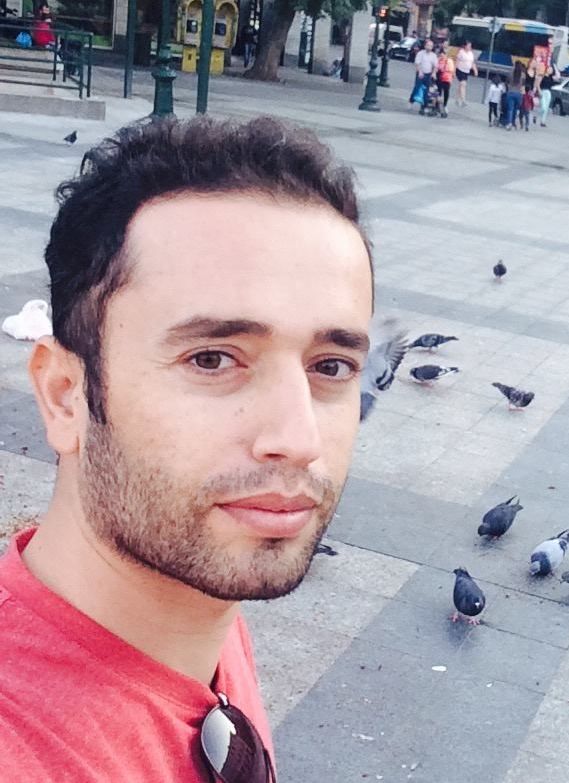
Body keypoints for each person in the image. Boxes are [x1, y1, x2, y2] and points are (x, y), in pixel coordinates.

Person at [0, 116, 373, 780]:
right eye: (212, 359)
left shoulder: (196, 601)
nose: (299, 440)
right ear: (63, 395)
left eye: (330, 366)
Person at [410, 38, 438, 115]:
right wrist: (420, 72)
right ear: (425, 46)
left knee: (426, 91)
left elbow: (435, 66)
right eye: (428, 45)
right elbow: (417, 63)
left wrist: (434, 73)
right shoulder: (421, 53)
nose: (429, 47)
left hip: (428, 74)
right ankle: (411, 100)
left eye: (431, 46)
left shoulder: (433, 56)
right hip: (421, 73)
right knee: (417, 88)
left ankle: (424, 106)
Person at [455, 40, 478, 106]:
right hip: (460, 70)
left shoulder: (471, 53)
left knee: (461, 85)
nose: (469, 47)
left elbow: (472, 62)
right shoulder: (461, 52)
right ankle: (463, 100)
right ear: (465, 46)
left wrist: (475, 70)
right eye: (468, 46)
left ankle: (457, 99)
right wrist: (454, 71)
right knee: (463, 84)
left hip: (466, 71)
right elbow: (457, 61)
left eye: (470, 46)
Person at [436, 40, 455, 118]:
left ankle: (444, 105)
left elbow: (451, 69)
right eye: (440, 55)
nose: (442, 56)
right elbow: (436, 68)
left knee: (446, 92)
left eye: (443, 54)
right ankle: (438, 106)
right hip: (439, 78)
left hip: (446, 78)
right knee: (438, 92)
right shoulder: (438, 60)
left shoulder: (449, 60)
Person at [505, 60, 525, 130]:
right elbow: (523, 85)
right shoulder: (523, 75)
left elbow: (506, 82)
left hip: (510, 92)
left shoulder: (510, 73)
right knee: (515, 109)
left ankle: (509, 123)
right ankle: (513, 123)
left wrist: (507, 90)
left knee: (510, 109)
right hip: (519, 94)